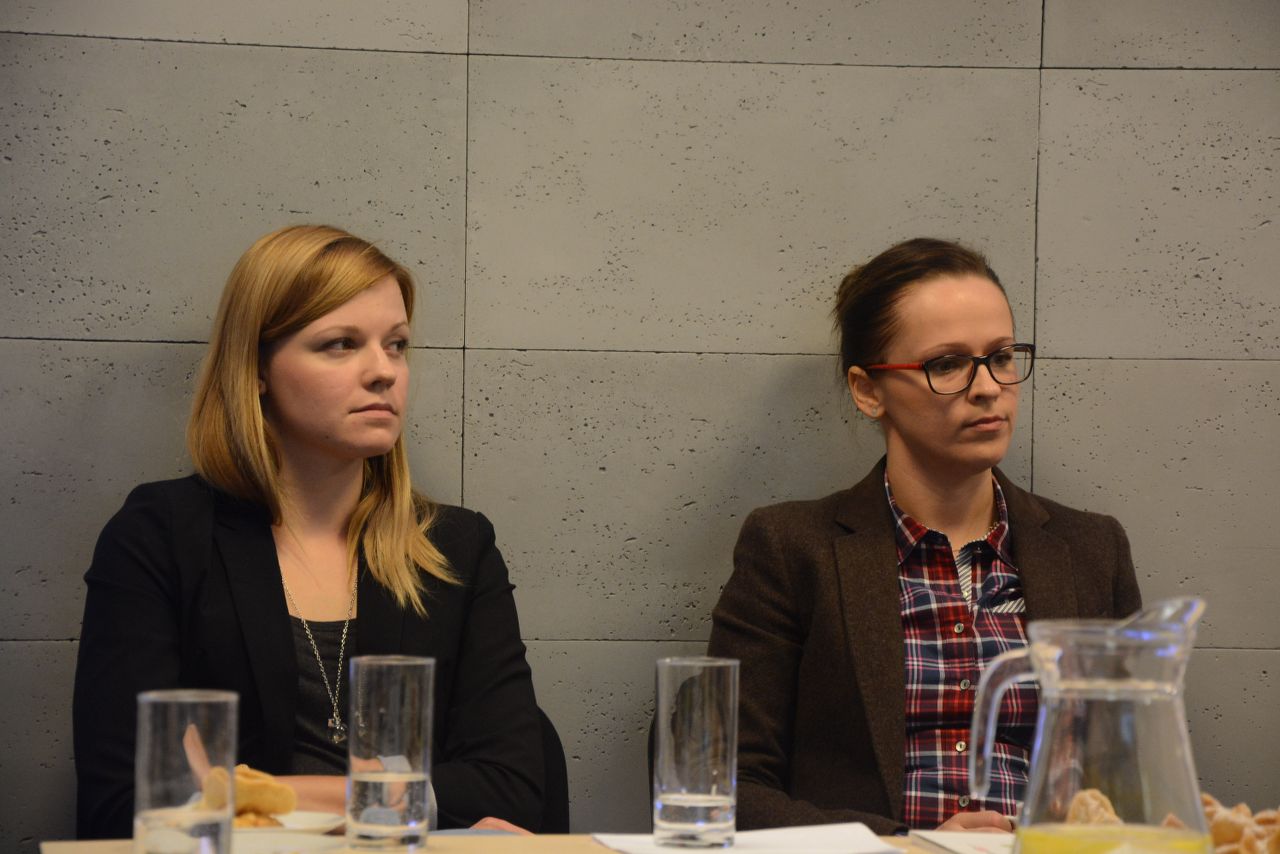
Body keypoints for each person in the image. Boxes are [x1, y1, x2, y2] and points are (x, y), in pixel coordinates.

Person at [73, 225, 544, 838]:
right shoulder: (161, 537)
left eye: (397, 344)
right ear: (257, 367)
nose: (384, 372)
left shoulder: (454, 547)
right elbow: (123, 805)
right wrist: (400, 793)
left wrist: (244, 792)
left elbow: (514, 790)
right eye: (341, 344)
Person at [707, 238, 1142, 836]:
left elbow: (1132, 781)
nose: (987, 387)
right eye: (947, 365)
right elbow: (723, 781)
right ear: (868, 390)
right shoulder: (791, 549)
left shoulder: (1092, 550)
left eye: (1001, 356)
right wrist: (904, 845)